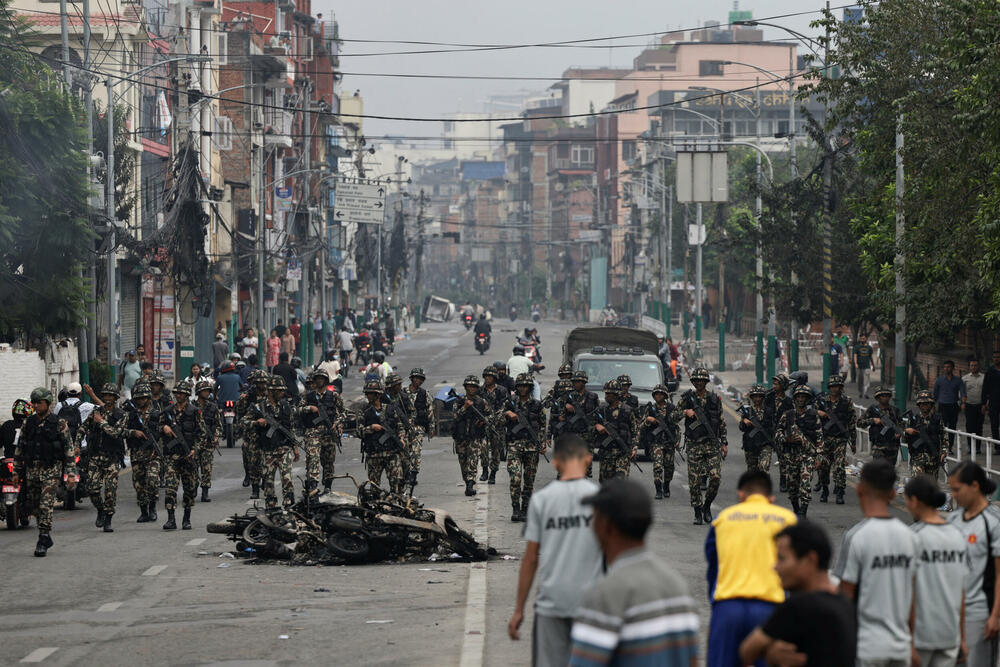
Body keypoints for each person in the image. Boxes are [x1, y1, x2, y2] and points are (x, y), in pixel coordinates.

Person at [570, 478, 699, 667]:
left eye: (594, 518)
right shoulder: (679, 587)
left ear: (606, 526)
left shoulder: (604, 594)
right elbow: (692, 660)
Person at [509, 434, 602, 666]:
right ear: (588, 460)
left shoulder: (542, 500)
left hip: (552, 603)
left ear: (555, 462)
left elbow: (530, 559)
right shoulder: (602, 500)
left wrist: (519, 609)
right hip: (593, 605)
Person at [705, 471, 797, 667]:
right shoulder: (788, 520)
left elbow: (713, 570)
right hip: (771, 610)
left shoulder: (723, 519)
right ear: (771, 499)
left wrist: (717, 609)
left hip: (728, 608)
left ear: (740, 495)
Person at [833, 460, 919, 667]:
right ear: (893, 494)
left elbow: (845, 595)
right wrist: (913, 644)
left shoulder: (856, 536)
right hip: (901, 646)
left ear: (860, 489)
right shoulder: (911, 537)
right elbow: (914, 596)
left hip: (866, 646)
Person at [738, 521, 857, 667]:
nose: (775, 567)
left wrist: (771, 657)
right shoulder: (846, 604)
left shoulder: (799, 607)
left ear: (810, 559)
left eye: (782, 559)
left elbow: (747, 651)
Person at [904, 475, 969, 666]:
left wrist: (907, 640)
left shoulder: (913, 537)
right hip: (949, 634)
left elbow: (908, 593)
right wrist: (963, 638)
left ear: (914, 500)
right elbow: (962, 592)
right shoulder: (957, 536)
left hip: (920, 636)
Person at [947, 461, 1000, 667]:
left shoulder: (993, 523)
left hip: (980, 614)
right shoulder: (952, 520)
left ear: (975, 486)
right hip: (951, 612)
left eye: (957, 489)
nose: (953, 495)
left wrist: (995, 616)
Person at [16, 387, 77, 556]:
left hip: (51, 471)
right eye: (34, 402)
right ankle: (45, 534)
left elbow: (68, 450)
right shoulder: (28, 423)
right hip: (32, 472)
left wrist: (71, 474)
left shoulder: (59, 423)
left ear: (48, 404)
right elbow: (20, 448)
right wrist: (16, 471)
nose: (36, 405)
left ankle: (43, 538)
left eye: (39, 402)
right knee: (34, 506)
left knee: (45, 505)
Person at [678, 367, 728, 525]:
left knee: (715, 478)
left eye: (702, 380)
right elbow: (672, 415)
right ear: (693, 382)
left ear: (706, 382)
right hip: (694, 445)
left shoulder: (714, 399)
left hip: (712, 445)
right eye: (696, 380)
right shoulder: (687, 398)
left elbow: (721, 422)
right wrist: (686, 412)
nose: (699, 382)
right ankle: (697, 511)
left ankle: (707, 506)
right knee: (694, 481)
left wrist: (724, 442)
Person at [158, 381, 207, 530]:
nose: (178, 395)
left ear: (186, 395)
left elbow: (203, 435)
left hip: (188, 456)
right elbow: (157, 427)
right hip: (172, 456)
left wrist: (195, 450)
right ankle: (171, 519)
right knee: (171, 488)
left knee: (189, 488)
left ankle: (187, 518)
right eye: (176, 393)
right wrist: (164, 427)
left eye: (181, 393)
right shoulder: (167, 411)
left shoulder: (195, 412)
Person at [78, 383, 126, 533]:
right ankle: (100, 509)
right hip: (95, 456)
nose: (107, 398)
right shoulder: (95, 412)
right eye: (105, 395)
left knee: (110, 490)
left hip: (112, 458)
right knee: (92, 488)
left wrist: (102, 422)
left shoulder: (121, 415)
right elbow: (82, 428)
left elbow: (115, 433)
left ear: (116, 397)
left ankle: (108, 519)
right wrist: (76, 444)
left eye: (110, 396)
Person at [246, 376, 299, 509]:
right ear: (271, 391)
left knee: (287, 480)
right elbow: (243, 422)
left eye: (282, 391)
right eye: (279, 391)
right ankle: (272, 508)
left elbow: (291, 428)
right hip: (268, 451)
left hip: (284, 449)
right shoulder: (259, 407)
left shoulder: (286, 406)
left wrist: (295, 448)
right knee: (268, 482)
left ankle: (289, 506)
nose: (282, 394)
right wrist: (256, 422)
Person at [503, 373, 546, 522]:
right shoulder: (510, 403)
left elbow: (542, 425)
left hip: (532, 447)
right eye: (520, 385)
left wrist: (542, 443)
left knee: (529, 481)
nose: (523, 388)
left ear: (530, 387)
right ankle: (515, 508)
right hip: (514, 445)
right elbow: (496, 419)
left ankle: (525, 508)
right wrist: (507, 414)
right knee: (515, 478)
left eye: (526, 386)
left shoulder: (537, 405)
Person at [776, 385, 823, 517]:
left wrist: (819, 456)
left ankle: (803, 511)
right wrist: (786, 439)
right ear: (795, 398)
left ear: (808, 399)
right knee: (792, 487)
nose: (801, 399)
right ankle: (796, 509)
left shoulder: (813, 415)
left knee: (805, 483)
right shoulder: (788, 415)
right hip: (791, 456)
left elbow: (819, 436)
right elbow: (778, 432)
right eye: (799, 397)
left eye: (804, 397)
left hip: (808, 455)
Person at [298, 368, 344, 496]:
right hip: (313, 432)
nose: (319, 381)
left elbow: (343, 412)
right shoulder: (308, 396)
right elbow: (298, 410)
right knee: (313, 458)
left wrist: (337, 423)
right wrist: (309, 408)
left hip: (329, 433)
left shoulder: (333, 396)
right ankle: (313, 485)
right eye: (317, 378)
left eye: (321, 378)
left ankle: (328, 485)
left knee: (328, 461)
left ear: (325, 380)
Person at [815, 374, 857, 504]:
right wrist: (818, 412)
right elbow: (809, 414)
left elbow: (852, 422)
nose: (835, 389)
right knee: (823, 466)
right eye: (832, 387)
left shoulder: (847, 401)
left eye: (837, 386)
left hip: (840, 438)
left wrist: (853, 441)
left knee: (839, 466)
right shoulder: (822, 401)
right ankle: (825, 489)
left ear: (841, 387)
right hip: (825, 438)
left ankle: (840, 491)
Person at [358, 379, 405, 495]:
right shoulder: (364, 412)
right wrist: (371, 428)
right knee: (374, 488)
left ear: (378, 395)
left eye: (371, 393)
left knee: (396, 483)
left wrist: (402, 438)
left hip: (391, 453)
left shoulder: (390, 409)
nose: (368, 396)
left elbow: (400, 427)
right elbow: (359, 432)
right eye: (367, 393)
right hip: (374, 455)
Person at [122, 381, 160, 523]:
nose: (141, 401)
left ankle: (153, 508)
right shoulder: (129, 414)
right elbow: (120, 430)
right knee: (139, 484)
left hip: (153, 454)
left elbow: (162, 431)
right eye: (138, 398)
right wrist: (133, 432)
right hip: (137, 453)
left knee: (152, 480)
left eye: (143, 398)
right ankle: (144, 511)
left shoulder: (156, 414)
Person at [641, 383, 681, 499]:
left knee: (669, 467)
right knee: (657, 466)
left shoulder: (671, 408)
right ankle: (658, 489)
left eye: (660, 394)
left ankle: (666, 485)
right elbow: (641, 425)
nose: (658, 396)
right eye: (656, 394)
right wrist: (649, 420)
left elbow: (677, 426)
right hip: (656, 442)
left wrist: (677, 440)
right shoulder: (650, 408)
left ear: (665, 395)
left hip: (669, 442)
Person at [453, 375, 489, 496]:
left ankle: (470, 485)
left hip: (475, 437)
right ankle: (467, 480)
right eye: (469, 386)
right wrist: (465, 407)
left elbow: (491, 416)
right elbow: (455, 417)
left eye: (474, 386)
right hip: (461, 438)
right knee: (463, 463)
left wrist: (483, 421)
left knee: (473, 462)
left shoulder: (482, 402)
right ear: (465, 387)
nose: (471, 389)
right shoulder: (458, 402)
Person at [594, 380, 637, 482]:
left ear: (616, 395)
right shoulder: (601, 410)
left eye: (609, 393)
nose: (606, 396)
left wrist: (634, 447)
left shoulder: (627, 410)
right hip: (606, 453)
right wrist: (597, 426)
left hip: (622, 452)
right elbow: (589, 424)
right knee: (605, 484)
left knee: (620, 480)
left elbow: (635, 430)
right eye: (606, 393)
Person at [403, 368, 435, 491]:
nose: (418, 381)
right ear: (412, 379)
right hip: (405, 428)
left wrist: (431, 427)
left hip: (418, 427)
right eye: (416, 378)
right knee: (405, 451)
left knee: (416, 452)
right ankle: (406, 473)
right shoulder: (403, 393)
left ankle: (413, 475)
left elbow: (430, 410)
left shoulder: (424, 394)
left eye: (420, 379)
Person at [905, 390, 948, 479]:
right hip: (917, 457)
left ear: (931, 404)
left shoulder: (937, 419)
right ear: (918, 405)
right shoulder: (913, 419)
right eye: (922, 403)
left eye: (927, 403)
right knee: (918, 485)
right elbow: (904, 437)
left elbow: (944, 436)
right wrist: (907, 431)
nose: (924, 405)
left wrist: (944, 452)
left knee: (931, 487)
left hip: (933, 458)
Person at [859, 385, 904, 464]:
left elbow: (901, 424)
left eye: (887, 395)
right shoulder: (872, 409)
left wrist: (899, 432)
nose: (885, 398)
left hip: (892, 447)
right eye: (883, 396)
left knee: (889, 472)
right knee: (879, 471)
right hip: (878, 447)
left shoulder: (895, 410)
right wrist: (873, 420)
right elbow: (859, 423)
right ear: (878, 398)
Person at [763, 374, 793, 492]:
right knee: (764, 459)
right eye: (774, 384)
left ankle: (783, 481)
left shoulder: (789, 402)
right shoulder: (768, 398)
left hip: (781, 432)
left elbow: (791, 419)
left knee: (783, 458)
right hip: (768, 432)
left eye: (777, 384)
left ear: (784, 386)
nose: (774, 386)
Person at [481, 366, 510, 485]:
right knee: (482, 449)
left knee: (496, 451)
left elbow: (505, 407)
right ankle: (484, 470)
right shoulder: (480, 390)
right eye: (486, 376)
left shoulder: (502, 391)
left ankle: (493, 473)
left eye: (490, 376)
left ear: (495, 378)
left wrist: (494, 418)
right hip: (483, 425)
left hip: (498, 425)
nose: (487, 379)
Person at [194, 380, 221, 502]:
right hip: (194, 443)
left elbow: (218, 425)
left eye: (208, 391)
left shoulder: (213, 407)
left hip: (208, 443)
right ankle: (192, 489)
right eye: (204, 391)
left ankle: (205, 492)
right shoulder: (191, 406)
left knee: (207, 468)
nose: (206, 393)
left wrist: (216, 436)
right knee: (192, 468)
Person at [738, 384, 772, 475]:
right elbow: (741, 428)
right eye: (755, 396)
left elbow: (773, 426)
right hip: (750, 444)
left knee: (763, 467)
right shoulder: (748, 411)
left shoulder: (769, 411)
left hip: (765, 443)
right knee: (752, 471)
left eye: (760, 396)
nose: (757, 399)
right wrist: (744, 421)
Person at [934, 360, 966, 452]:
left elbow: (963, 393)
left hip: (953, 406)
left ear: (953, 368)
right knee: (941, 427)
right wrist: (932, 407)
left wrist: (963, 403)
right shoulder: (939, 380)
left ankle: (950, 447)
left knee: (952, 428)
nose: (946, 369)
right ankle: (941, 446)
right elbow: (935, 395)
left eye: (948, 367)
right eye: (945, 367)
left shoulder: (958, 380)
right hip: (942, 406)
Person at [963, 358, 987, 451]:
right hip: (969, 405)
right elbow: (962, 393)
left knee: (979, 426)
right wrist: (962, 403)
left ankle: (977, 447)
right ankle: (970, 446)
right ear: (969, 367)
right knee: (969, 426)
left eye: (975, 365)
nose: (973, 367)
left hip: (980, 406)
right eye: (972, 365)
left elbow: (987, 392)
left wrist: (985, 405)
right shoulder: (965, 378)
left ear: (979, 366)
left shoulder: (984, 378)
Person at [984, 350, 1000, 441]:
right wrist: (984, 403)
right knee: (994, 424)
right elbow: (985, 388)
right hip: (993, 401)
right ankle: (997, 446)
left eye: (998, 357)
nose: (996, 359)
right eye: (994, 357)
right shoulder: (990, 371)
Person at [853, 332, 875, 398]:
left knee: (866, 380)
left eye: (864, 338)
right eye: (861, 338)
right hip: (859, 366)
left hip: (867, 366)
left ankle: (865, 393)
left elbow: (870, 357)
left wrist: (873, 365)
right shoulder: (857, 347)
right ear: (859, 339)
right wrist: (856, 363)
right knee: (860, 380)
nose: (863, 339)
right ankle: (860, 392)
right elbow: (855, 356)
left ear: (866, 339)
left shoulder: (869, 348)